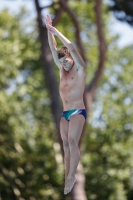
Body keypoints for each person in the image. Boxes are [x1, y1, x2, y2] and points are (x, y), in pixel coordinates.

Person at [45, 14, 86, 195]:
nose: (63, 65)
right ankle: (67, 176)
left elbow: (70, 46)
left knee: (72, 141)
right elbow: (53, 49)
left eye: (65, 61)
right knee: (65, 146)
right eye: (61, 62)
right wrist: (48, 30)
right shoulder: (62, 70)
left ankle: (72, 175)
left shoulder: (79, 68)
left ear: (71, 58)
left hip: (78, 111)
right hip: (65, 113)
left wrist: (57, 31)